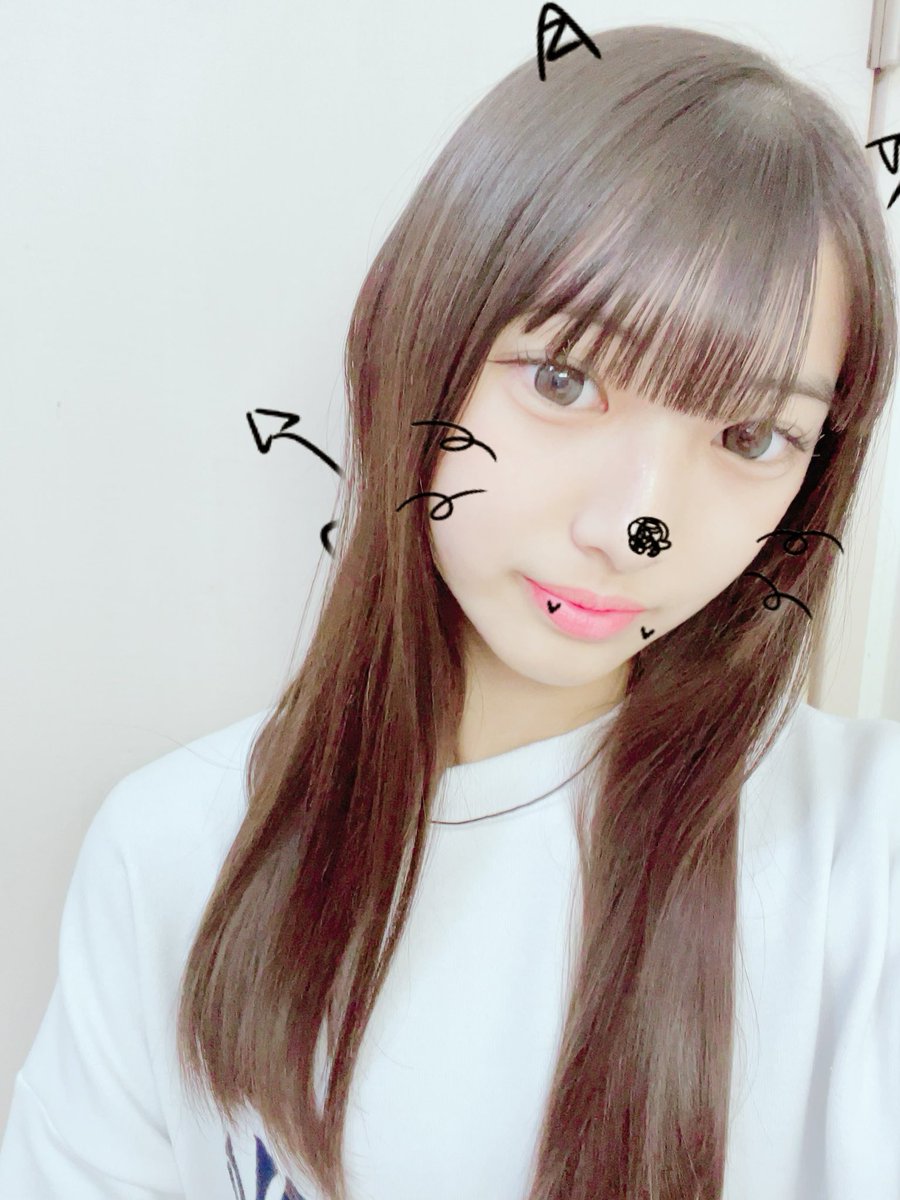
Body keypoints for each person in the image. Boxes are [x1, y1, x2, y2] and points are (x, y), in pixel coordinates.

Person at [2, 22, 899, 1200]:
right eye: (566, 380)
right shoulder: (174, 849)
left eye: (749, 436)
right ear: (421, 345)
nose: (634, 525)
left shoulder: (858, 848)